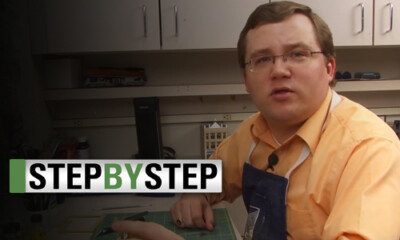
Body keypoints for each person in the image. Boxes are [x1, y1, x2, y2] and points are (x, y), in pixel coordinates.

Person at [112, 1, 400, 239]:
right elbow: (212, 175)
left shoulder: (369, 150)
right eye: (262, 59)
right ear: (246, 81)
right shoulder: (253, 132)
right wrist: (194, 194)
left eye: (298, 54)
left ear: (329, 68)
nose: (279, 70)